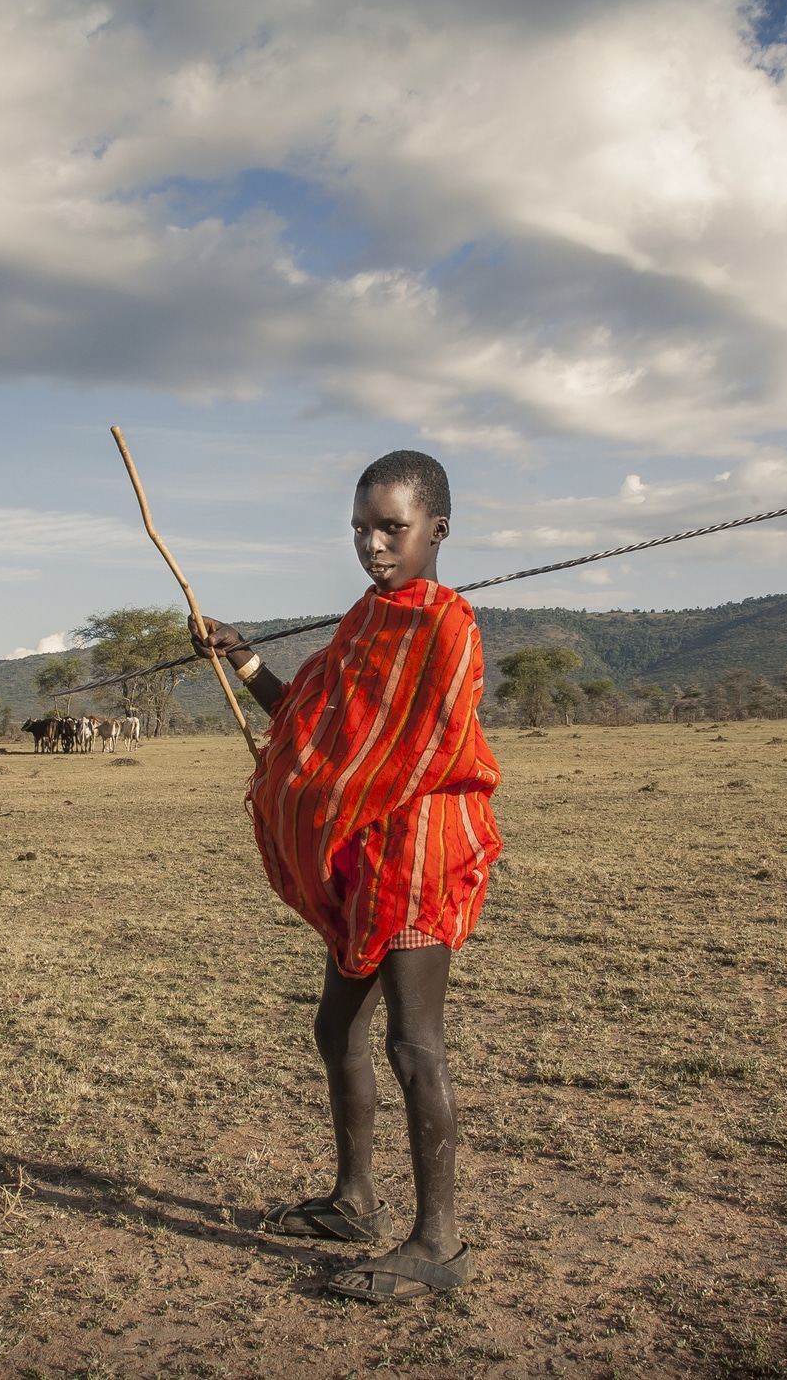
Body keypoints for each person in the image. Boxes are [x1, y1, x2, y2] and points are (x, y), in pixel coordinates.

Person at [192, 449, 501, 1302]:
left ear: (437, 529)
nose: (372, 545)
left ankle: (439, 1244)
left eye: (391, 529)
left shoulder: (444, 625)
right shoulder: (368, 619)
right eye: (360, 529)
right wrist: (246, 660)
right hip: (367, 854)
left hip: (420, 852)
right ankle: (354, 1199)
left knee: (413, 1045)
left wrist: (315, 783)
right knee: (336, 1032)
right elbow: (317, 719)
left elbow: (406, 750)